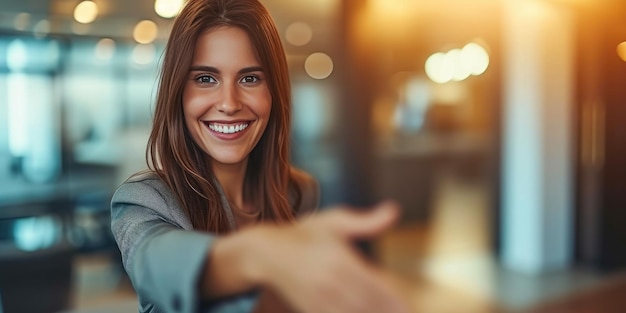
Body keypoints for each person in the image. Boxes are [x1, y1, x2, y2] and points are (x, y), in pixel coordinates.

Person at [110, 0, 410, 312]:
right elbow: (153, 263)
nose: (229, 103)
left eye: (250, 78)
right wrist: (258, 254)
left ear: (274, 92)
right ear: (178, 93)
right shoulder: (143, 199)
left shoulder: (300, 193)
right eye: (205, 79)